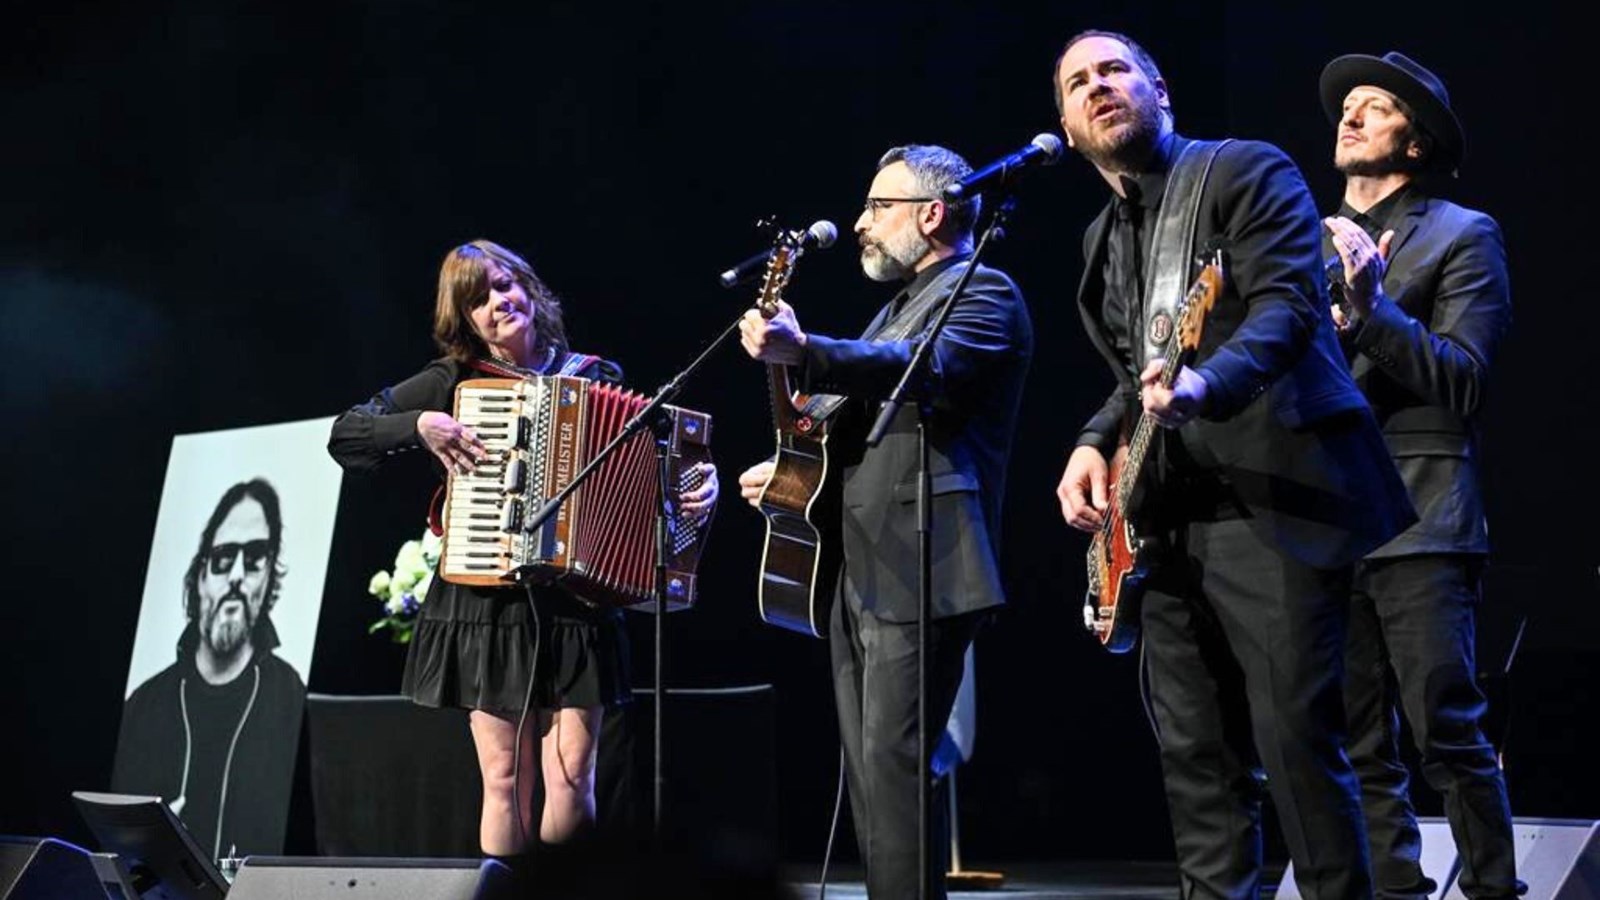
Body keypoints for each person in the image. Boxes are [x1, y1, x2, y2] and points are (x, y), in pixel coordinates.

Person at [1051, 31, 1416, 899]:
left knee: (1296, 744)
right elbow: (1127, 376)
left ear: (1159, 88)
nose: (1098, 87)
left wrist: (1204, 384)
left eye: (1114, 70)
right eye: (1077, 83)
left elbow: (1289, 311)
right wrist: (1089, 442)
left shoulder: (1242, 172)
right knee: (1196, 762)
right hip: (1165, 522)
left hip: (1275, 501)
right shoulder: (1100, 240)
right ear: (1065, 128)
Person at [327, 239, 718, 878]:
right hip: (486, 599)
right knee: (505, 777)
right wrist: (419, 426)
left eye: (505, 286)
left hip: (577, 601)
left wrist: (697, 484)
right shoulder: (452, 381)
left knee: (573, 773)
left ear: (530, 291)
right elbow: (346, 432)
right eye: (479, 299)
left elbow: (655, 477)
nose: (498, 304)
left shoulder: (596, 376)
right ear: (465, 320)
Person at [737, 144, 1033, 899]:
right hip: (859, 563)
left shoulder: (984, 292)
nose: (862, 224)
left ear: (933, 214)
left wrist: (806, 350)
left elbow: (918, 370)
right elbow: (848, 424)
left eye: (879, 207)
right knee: (875, 777)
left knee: (896, 767)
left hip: (922, 563)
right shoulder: (897, 304)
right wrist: (791, 473)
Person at [1319, 51, 1518, 898]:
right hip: (1328, 524)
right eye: (1347, 106)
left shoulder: (1461, 233)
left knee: (1445, 729)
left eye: (1377, 107)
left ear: (1416, 142)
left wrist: (1371, 311)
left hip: (1423, 518)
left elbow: (1465, 380)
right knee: (1354, 738)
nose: (1351, 116)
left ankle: (1493, 891)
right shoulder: (1304, 240)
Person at [113, 478, 308, 863]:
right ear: (200, 574)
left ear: (269, 576)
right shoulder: (145, 705)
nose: (236, 575)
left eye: (254, 557)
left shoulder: (291, 697)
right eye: (223, 557)